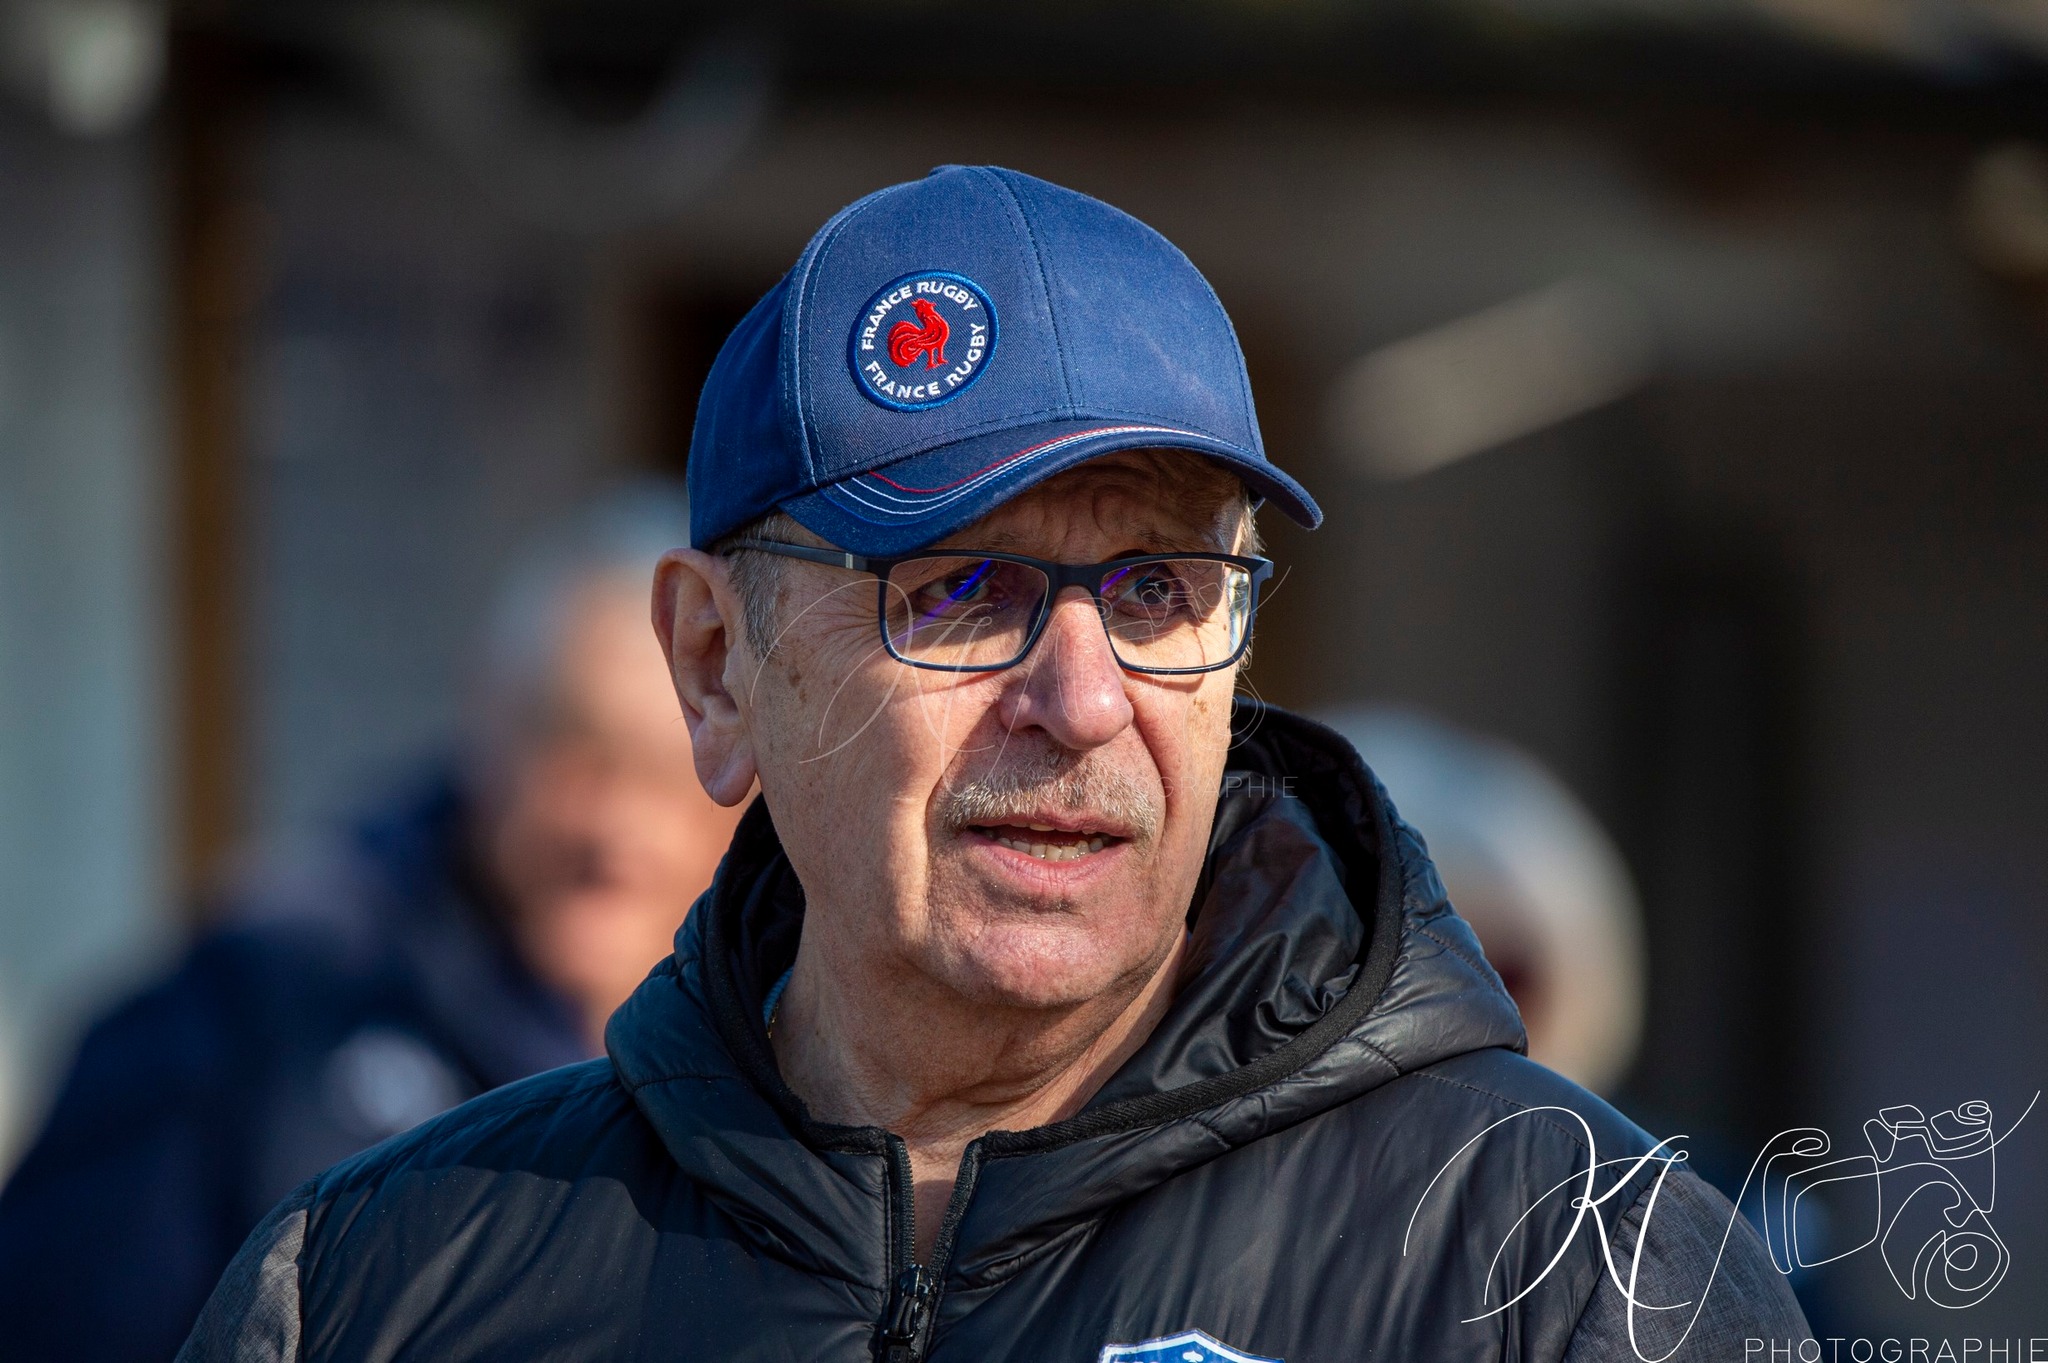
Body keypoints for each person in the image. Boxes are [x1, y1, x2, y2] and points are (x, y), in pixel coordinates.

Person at [179, 167, 1811, 1363]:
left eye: (1160, 586)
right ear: (712, 665)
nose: (1080, 698)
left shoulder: (1574, 1276)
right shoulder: (378, 1289)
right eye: (957, 588)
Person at [0, 484, 742, 1363]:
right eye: (572, 743)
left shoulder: (802, 1055)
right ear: (484, 717)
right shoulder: (255, 1000)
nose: (610, 826)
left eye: (664, 765)